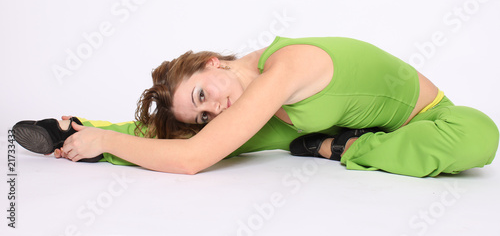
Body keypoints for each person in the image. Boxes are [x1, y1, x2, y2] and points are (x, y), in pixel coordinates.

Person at [13, 36, 499, 177]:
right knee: (186, 137)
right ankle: (77, 129)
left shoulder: (283, 69)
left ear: (213, 63)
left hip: (424, 119)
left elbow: (192, 161)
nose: (214, 109)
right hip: (303, 125)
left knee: (481, 135)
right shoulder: (249, 100)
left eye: (202, 95)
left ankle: (344, 148)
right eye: (203, 113)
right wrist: (100, 134)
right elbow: (192, 146)